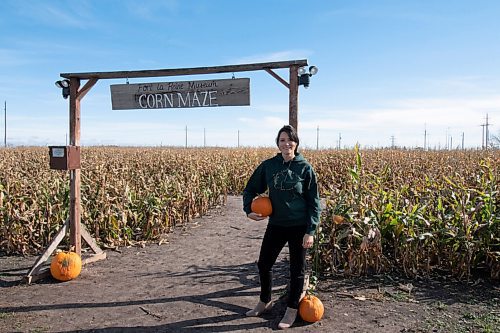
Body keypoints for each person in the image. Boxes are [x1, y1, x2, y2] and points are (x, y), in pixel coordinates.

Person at [242, 125, 321, 329]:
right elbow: (251, 188)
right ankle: (265, 301)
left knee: (297, 270)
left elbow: (314, 202)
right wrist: (248, 209)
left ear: (296, 142)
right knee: (264, 264)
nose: (286, 144)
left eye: (290, 140)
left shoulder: (305, 168)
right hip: (276, 224)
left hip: (299, 227)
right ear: (278, 143)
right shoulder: (269, 166)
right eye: (282, 140)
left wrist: (310, 231)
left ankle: (292, 309)